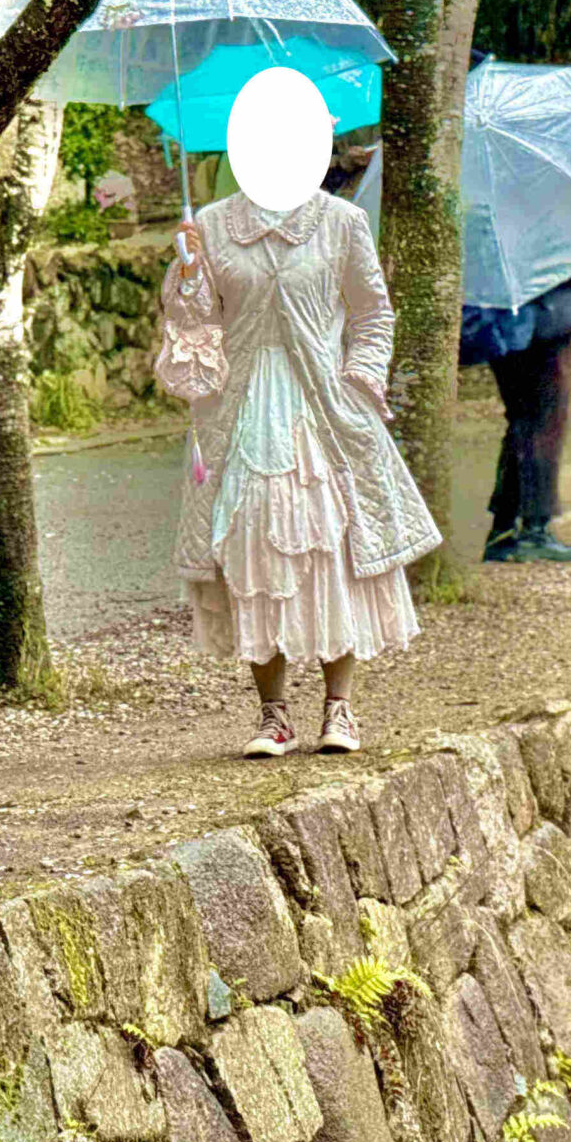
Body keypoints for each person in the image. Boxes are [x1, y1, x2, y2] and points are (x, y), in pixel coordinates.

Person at [152, 173, 441, 758]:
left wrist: (361, 375)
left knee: (333, 546)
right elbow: (193, 327)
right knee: (251, 548)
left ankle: (340, 708)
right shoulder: (210, 225)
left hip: (325, 409)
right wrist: (187, 274)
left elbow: (374, 314)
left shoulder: (340, 221)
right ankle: (273, 715)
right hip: (242, 414)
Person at [469, 268, 571, 563]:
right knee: (544, 425)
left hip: (501, 327)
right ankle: (534, 531)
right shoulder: (547, 223)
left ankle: (504, 529)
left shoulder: (486, 227)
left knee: (521, 421)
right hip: (546, 323)